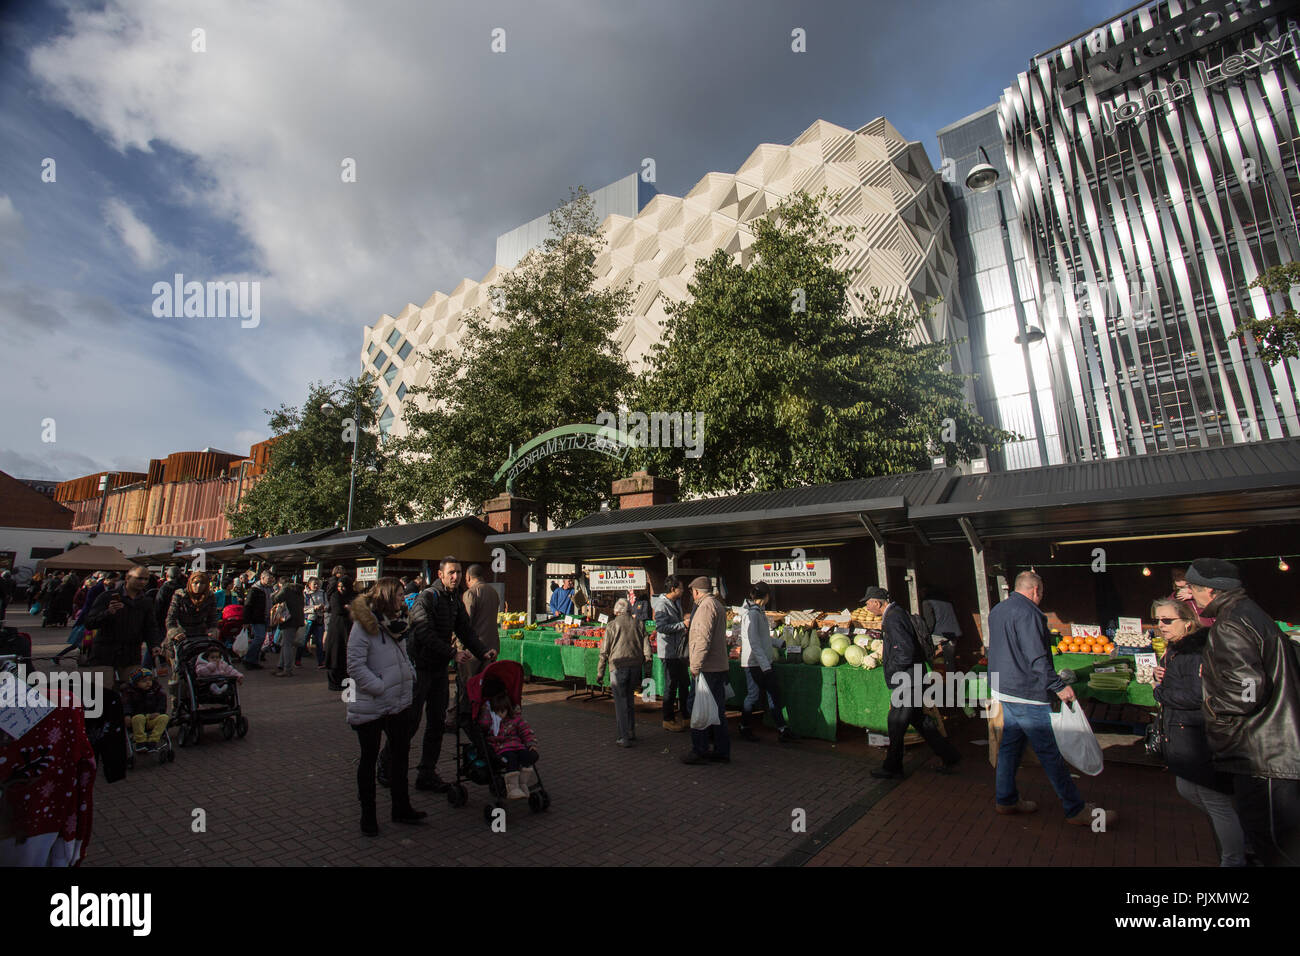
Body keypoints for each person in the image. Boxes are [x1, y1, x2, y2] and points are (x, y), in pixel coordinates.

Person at [1188, 558, 1300, 866]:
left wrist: (1213, 705)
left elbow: (1247, 690)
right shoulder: (1249, 614)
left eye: (1193, 590)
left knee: (1275, 847)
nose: (1192, 598)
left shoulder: (1231, 623)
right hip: (1271, 751)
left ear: (1209, 590)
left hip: (1262, 755)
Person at [987, 572, 1115, 826]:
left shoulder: (998, 610)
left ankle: (1006, 799)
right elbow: (1036, 657)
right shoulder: (1031, 614)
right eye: (1041, 592)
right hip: (1027, 692)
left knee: (1011, 746)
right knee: (1048, 751)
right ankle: (1075, 808)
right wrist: (1058, 686)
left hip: (1004, 688)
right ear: (1036, 590)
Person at [1150, 597, 1252, 866]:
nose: (1161, 625)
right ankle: (1242, 834)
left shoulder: (1196, 652)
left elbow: (1198, 694)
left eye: (1168, 620)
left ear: (1187, 621)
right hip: (1183, 735)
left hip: (1199, 736)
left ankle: (1235, 858)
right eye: (1158, 619)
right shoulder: (1176, 650)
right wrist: (1164, 674)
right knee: (1187, 788)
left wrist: (1160, 691)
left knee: (1215, 801)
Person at [393, 556, 496, 792]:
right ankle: (389, 765)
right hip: (420, 667)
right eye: (451, 572)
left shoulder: (455, 601)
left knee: (436, 723)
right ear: (440, 574)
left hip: (439, 670)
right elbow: (423, 632)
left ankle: (426, 773)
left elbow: (466, 631)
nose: (456, 577)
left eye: (459, 572)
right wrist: (452, 653)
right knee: (410, 721)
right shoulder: (428, 597)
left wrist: (483, 652)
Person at [345, 576, 423, 836]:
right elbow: (355, 666)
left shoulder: (397, 625)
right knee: (368, 760)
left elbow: (402, 656)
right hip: (371, 704)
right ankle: (368, 816)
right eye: (400, 595)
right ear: (388, 596)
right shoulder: (363, 626)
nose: (404, 599)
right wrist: (379, 687)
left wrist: (409, 675)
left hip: (398, 702)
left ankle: (401, 808)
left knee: (400, 756)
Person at [866, 586, 961, 779]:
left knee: (896, 722)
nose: (867, 608)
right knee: (919, 720)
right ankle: (949, 756)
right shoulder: (898, 612)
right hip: (914, 676)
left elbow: (905, 650)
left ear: (877, 602)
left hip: (907, 679)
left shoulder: (892, 618)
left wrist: (893, 669)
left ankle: (892, 766)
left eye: (868, 603)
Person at [739, 582, 798, 743]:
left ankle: (782, 729)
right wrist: (765, 666)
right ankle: (744, 726)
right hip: (753, 663)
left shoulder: (758, 612)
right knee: (753, 695)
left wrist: (779, 643)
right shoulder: (751, 614)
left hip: (764, 661)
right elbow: (754, 642)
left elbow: (763, 638)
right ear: (766, 596)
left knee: (774, 694)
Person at [84, 566, 161, 688]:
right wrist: (108, 613)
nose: (143, 582)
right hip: (104, 654)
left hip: (130, 655)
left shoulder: (145, 602)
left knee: (132, 693)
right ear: (128, 578)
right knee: (102, 693)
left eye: (146, 579)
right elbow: (89, 622)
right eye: (139, 578)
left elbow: (150, 627)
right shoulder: (107, 596)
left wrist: (154, 644)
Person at [681, 576, 730, 765]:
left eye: (692, 592)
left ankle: (699, 749)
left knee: (697, 707)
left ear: (696, 592)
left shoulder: (705, 608)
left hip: (707, 668)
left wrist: (695, 666)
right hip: (719, 666)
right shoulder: (717, 605)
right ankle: (721, 749)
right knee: (717, 710)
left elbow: (702, 639)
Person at [597, 597, 652, 747]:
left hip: (618, 666)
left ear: (617, 611)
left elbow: (604, 651)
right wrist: (647, 670)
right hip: (635, 666)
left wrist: (600, 672)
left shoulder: (612, 626)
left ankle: (623, 736)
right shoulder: (639, 624)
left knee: (620, 702)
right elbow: (647, 649)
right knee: (629, 699)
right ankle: (631, 730)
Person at [450, 565, 501, 723]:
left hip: (473, 650)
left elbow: (465, 624)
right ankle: (480, 717)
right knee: (483, 686)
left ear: (469, 578)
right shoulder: (493, 592)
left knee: (467, 685)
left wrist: (457, 645)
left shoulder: (470, 594)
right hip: (491, 646)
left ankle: (460, 718)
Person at [478, 675, 540, 799]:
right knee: (511, 758)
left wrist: (531, 744)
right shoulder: (491, 721)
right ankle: (513, 788)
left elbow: (526, 731)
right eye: (497, 711)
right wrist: (486, 709)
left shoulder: (515, 719)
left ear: (508, 709)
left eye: (503, 711)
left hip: (516, 745)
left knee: (530, 756)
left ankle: (522, 783)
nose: (500, 715)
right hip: (501, 747)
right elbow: (483, 724)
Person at [652, 576, 691, 731]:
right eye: (680, 588)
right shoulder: (661, 604)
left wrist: (683, 621)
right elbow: (661, 627)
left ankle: (686, 715)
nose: (683, 591)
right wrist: (682, 625)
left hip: (679, 651)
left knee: (684, 683)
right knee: (671, 685)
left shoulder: (677, 602)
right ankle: (668, 719)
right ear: (673, 589)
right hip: (668, 652)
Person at [121, 666, 170, 751]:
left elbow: (162, 702)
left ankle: (153, 741)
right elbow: (126, 704)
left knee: (164, 718)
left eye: (149, 680)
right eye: (144, 681)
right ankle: (140, 742)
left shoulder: (156, 691)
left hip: (152, 717)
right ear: (136, 683)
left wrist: (159, 712)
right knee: (139, 718)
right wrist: (127, 715)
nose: (148, 683)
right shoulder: (130, 693)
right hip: (137, 719)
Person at [325, 569, 355, 690]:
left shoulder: (353, 595)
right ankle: (334, 682)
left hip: (348, 629)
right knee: (335, 654)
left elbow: (359, 607)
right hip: (336, 630)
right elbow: (338, 609)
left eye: (343, 586)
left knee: (345, 654)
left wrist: (349, 607)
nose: (341, 589)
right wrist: (349, 607)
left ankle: (345, 681)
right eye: (339, 586)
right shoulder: (335, 596)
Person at [921, 586, 962, 671]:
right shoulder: (946, 600)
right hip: (953, 632)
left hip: (939, 633)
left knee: (924, 652)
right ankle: (953, 682)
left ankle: (928, 677)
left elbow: (930, 623)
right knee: (950, 660)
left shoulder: (927, 602)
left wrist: (925, 635)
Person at [271, 577, 305, 677]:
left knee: (287, 645)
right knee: (285, 643)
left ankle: (287, 669)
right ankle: (280, 666)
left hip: (288, 620)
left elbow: (275, 599)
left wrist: (276, 592)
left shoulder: (286, 589)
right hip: (297, 619)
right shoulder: (298, 590)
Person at [302, 576, 328, 668]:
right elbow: (303, 608)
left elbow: (327, 603)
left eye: (318, 584)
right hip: (309, 619)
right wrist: (314, 608)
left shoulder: (322, 593)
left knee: (319, 642)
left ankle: (321, 662)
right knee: (303, 640)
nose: (316, 586)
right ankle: (298, 659)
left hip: (319, 619)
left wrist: (325, 607)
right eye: (314, 584)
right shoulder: (305, 594)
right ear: (309, 585)